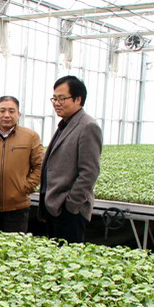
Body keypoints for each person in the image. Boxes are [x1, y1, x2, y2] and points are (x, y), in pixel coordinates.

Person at [39, 75, 102, 244]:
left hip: (68, 211)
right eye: (54, 98)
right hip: (54, 207)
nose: (56, 103)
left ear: (78, 99)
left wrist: (71, 205)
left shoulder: (88, 126)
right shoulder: (65, 124)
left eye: (62, 98)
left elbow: (89, 172)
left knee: (67, 255)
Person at [0, 96, 44, 233]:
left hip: (17, 208)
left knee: (15, 244)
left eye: (11, 111)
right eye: (2, 111)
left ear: (18, 114)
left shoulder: (30, 137)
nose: (7, 115)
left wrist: (26, 186)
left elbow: (40, 166)